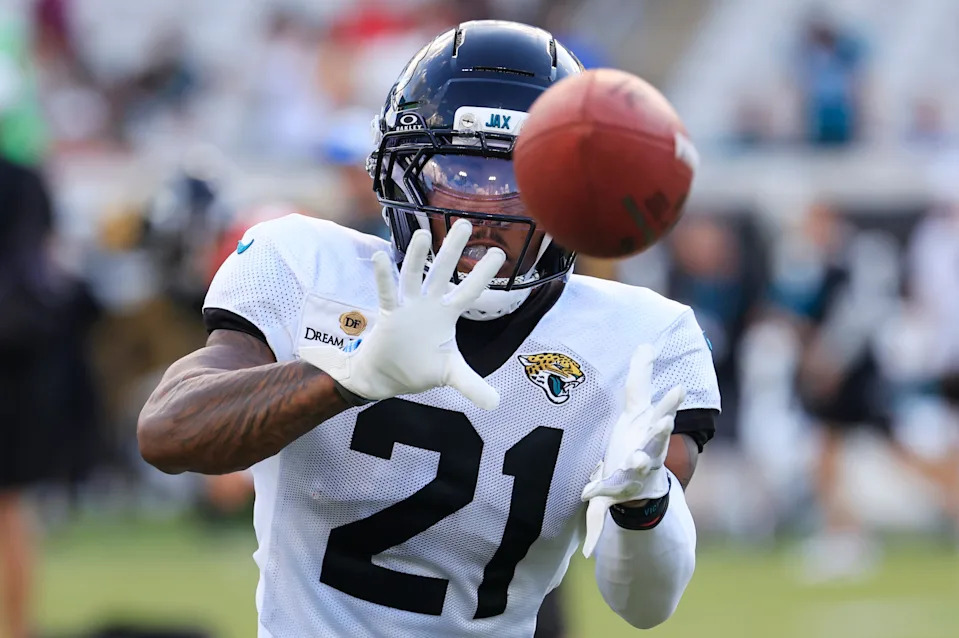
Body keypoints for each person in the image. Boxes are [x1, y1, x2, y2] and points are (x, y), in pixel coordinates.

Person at [138, 21, 720, 637]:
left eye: (518, 179)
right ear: (399, 172)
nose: (486, 207)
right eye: (463, 174)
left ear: (567, 194)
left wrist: (643, 504)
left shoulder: (643, 338)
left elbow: (646, 607)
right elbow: (168, 433)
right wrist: (347, 377)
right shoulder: (304, 265)